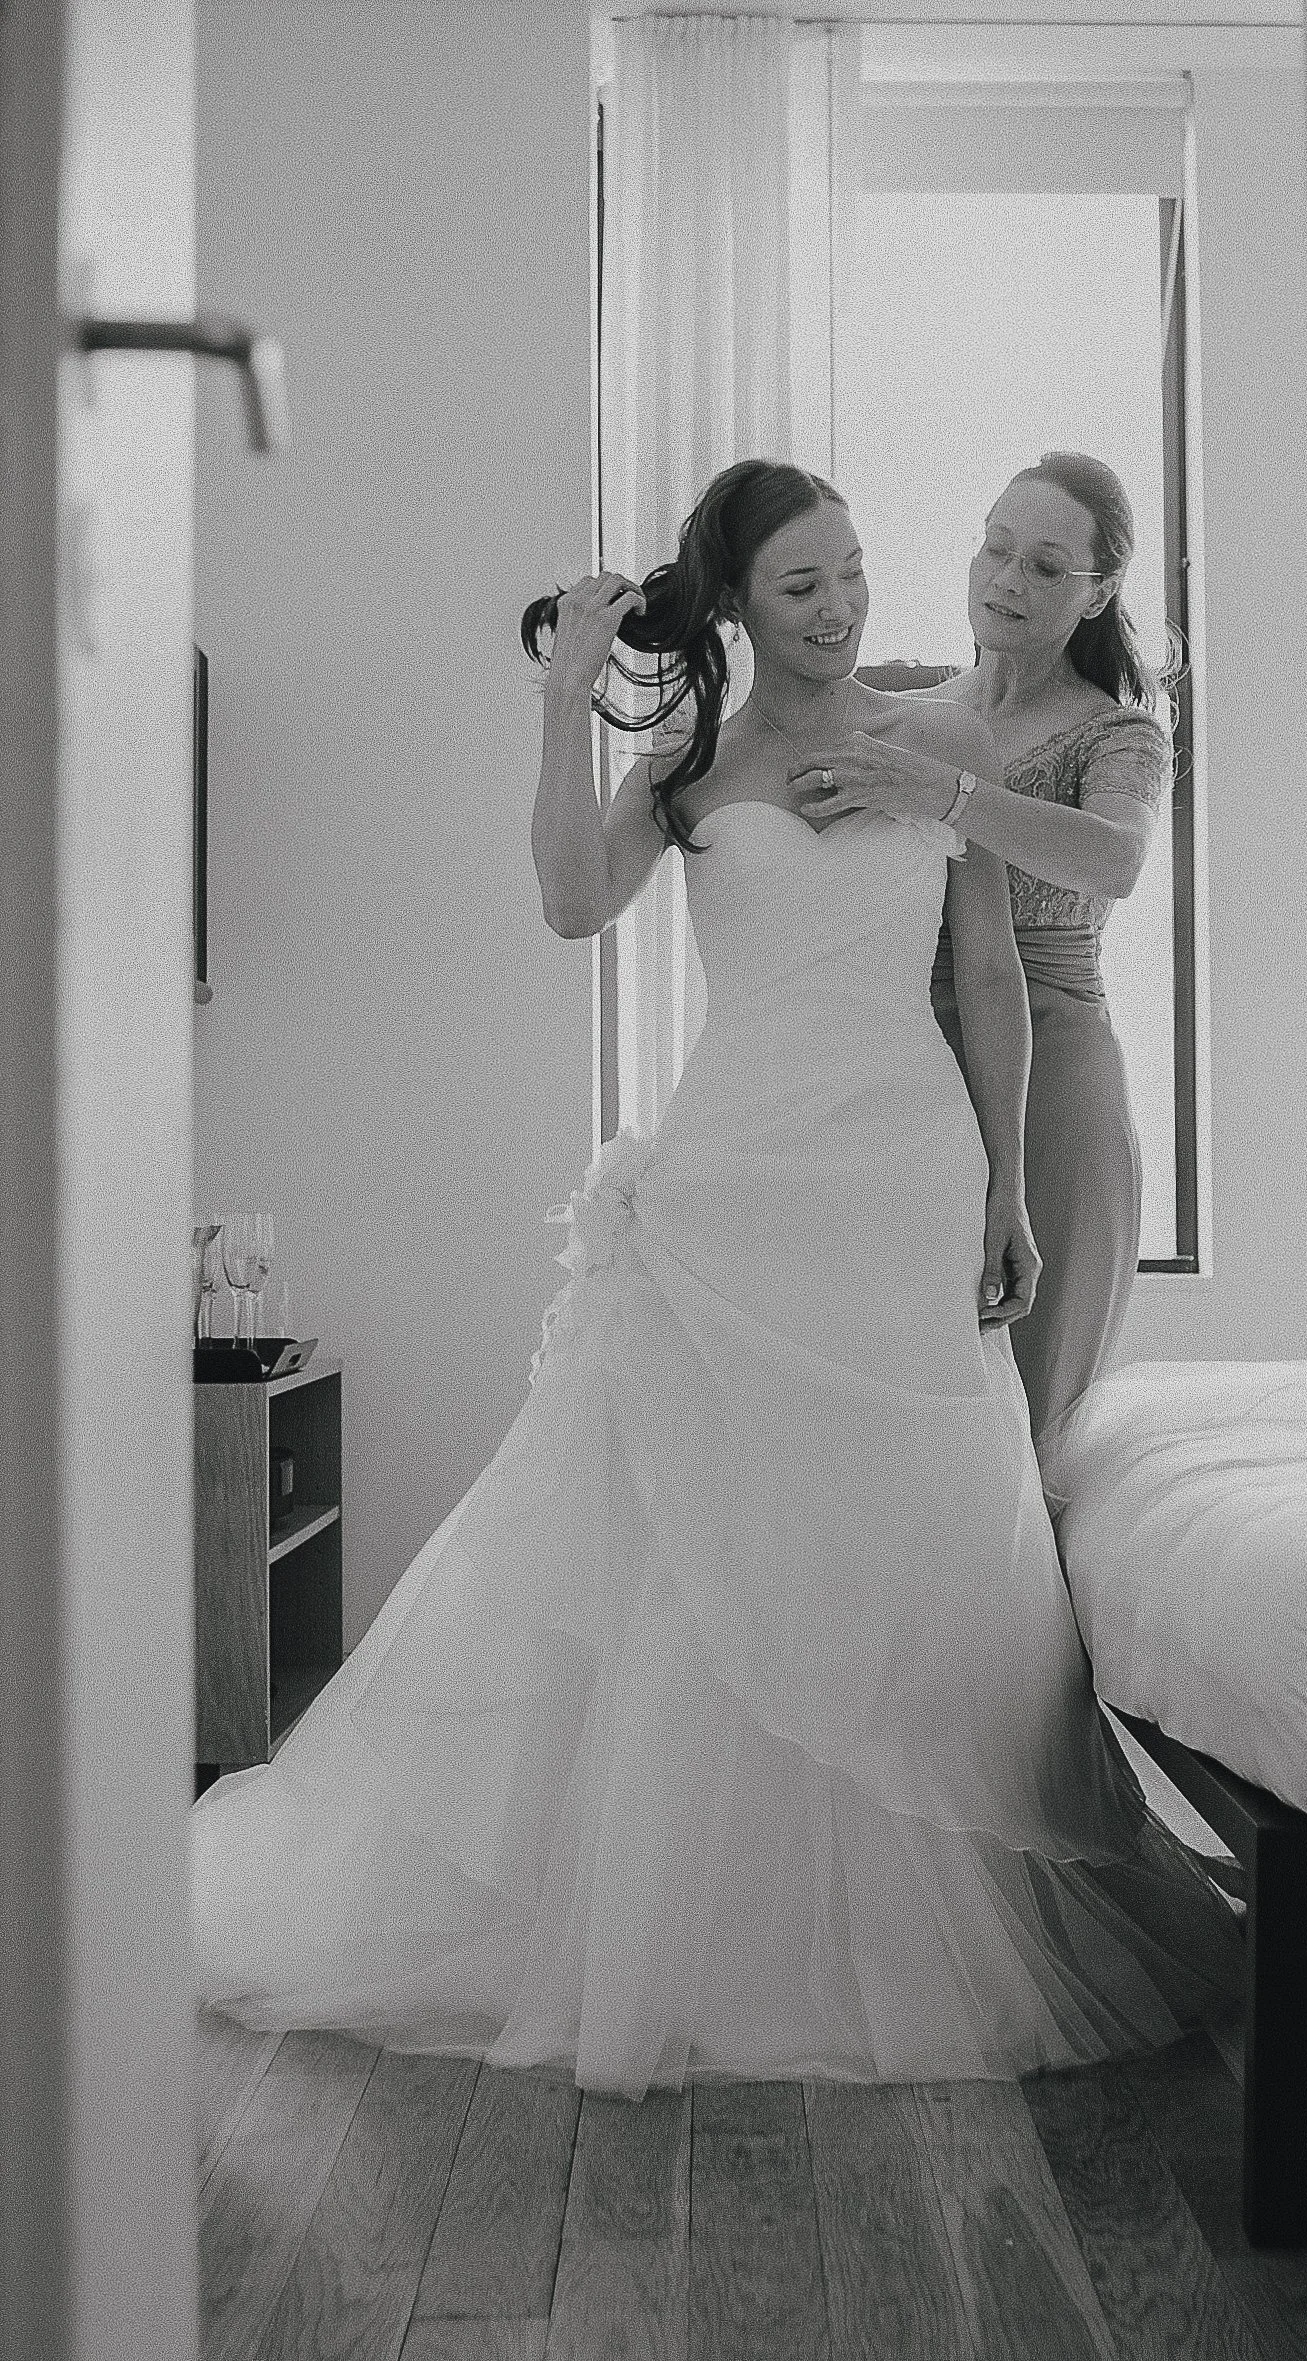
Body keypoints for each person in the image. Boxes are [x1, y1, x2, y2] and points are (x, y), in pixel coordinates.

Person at [191, 459, 1237, 2094]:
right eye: (802, 584)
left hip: (903, 1179)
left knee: (926, 1529)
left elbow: (985, 975)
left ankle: (941, 1883)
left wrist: (998, 1197)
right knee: (684, 1544)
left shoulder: (937, 745)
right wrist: (560, 707)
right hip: (731, 1182)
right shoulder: (692, 766)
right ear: (740, 603)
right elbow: (564, 902)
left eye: (852, 573)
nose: (839, 609)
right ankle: (676, 1926)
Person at [788, 453, 1170, 1484]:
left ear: (1095, 593)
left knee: (1015, 1439)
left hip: (1053, 1076)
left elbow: (1115, 859)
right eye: (994, 547)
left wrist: (944, 792)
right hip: (899, 1067)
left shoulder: (1117, 732)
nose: (1005, 579)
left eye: (1045, 566)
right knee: (890, 1423)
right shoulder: (900, 702)